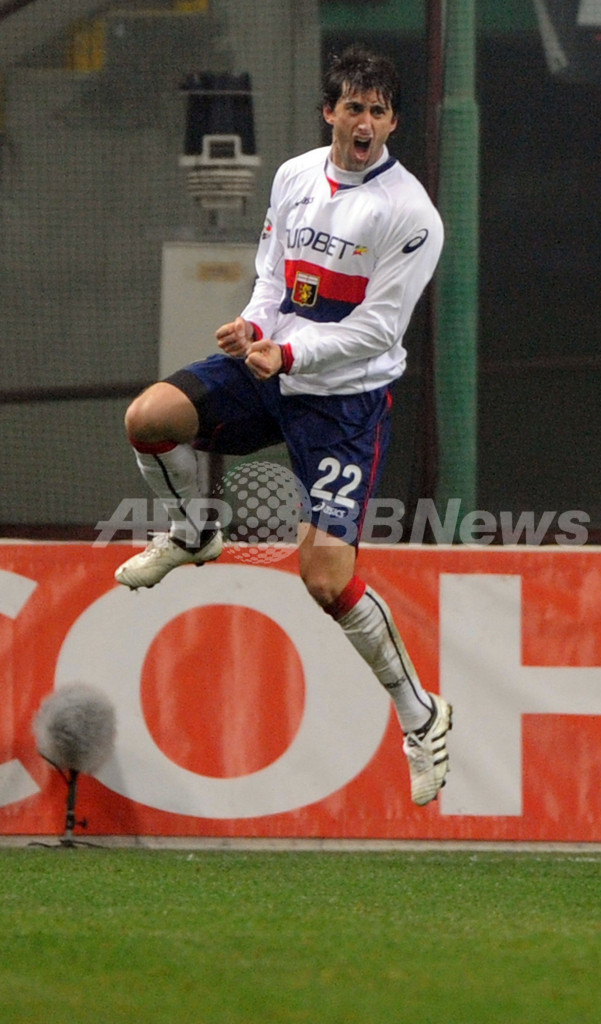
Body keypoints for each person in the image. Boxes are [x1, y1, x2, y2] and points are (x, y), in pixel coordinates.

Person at [114, 45, 450, 805]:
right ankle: (194, 531)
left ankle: (421, 716)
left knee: (325, 580)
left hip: (342, 401)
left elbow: (378, 330)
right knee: (149, 419)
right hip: (271, 365)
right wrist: (252, 328)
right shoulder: (295, 175)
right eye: (352, 107)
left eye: (378, 111)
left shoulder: (410, 215)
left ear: (392, 122)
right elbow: (273, 276)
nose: (364, 123)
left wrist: (288, 351)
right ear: (329, 111)